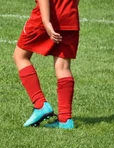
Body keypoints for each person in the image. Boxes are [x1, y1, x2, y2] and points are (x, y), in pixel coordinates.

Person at [13, 0, 79, 129]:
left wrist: (46, 22)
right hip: (70, 19)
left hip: (46, 18)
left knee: (20, 57)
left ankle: (40, 105)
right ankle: (65, 120)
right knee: (63, 67)